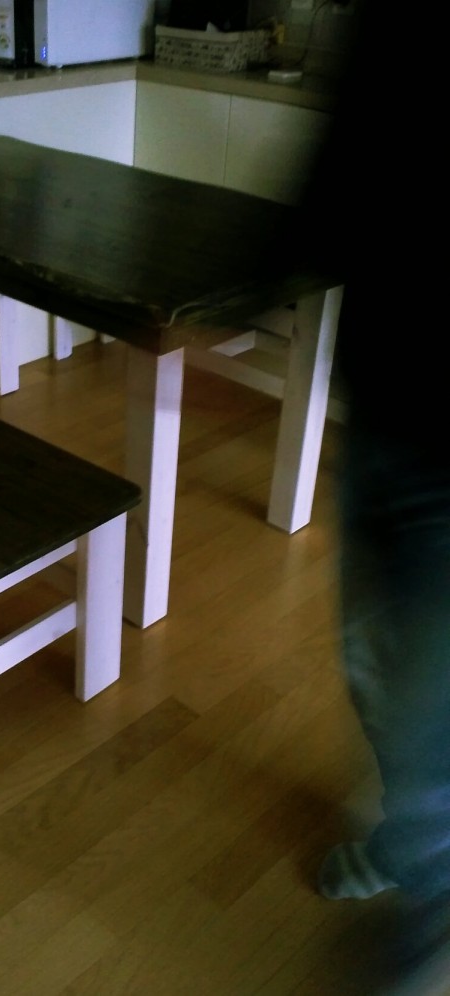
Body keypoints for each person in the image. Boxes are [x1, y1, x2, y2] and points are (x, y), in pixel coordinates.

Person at [290, 0, 450, 987]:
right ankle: (414, 844)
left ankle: (429, 902)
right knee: (374, 661)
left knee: (431, 695)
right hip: (388, 400)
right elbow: (345, 154)